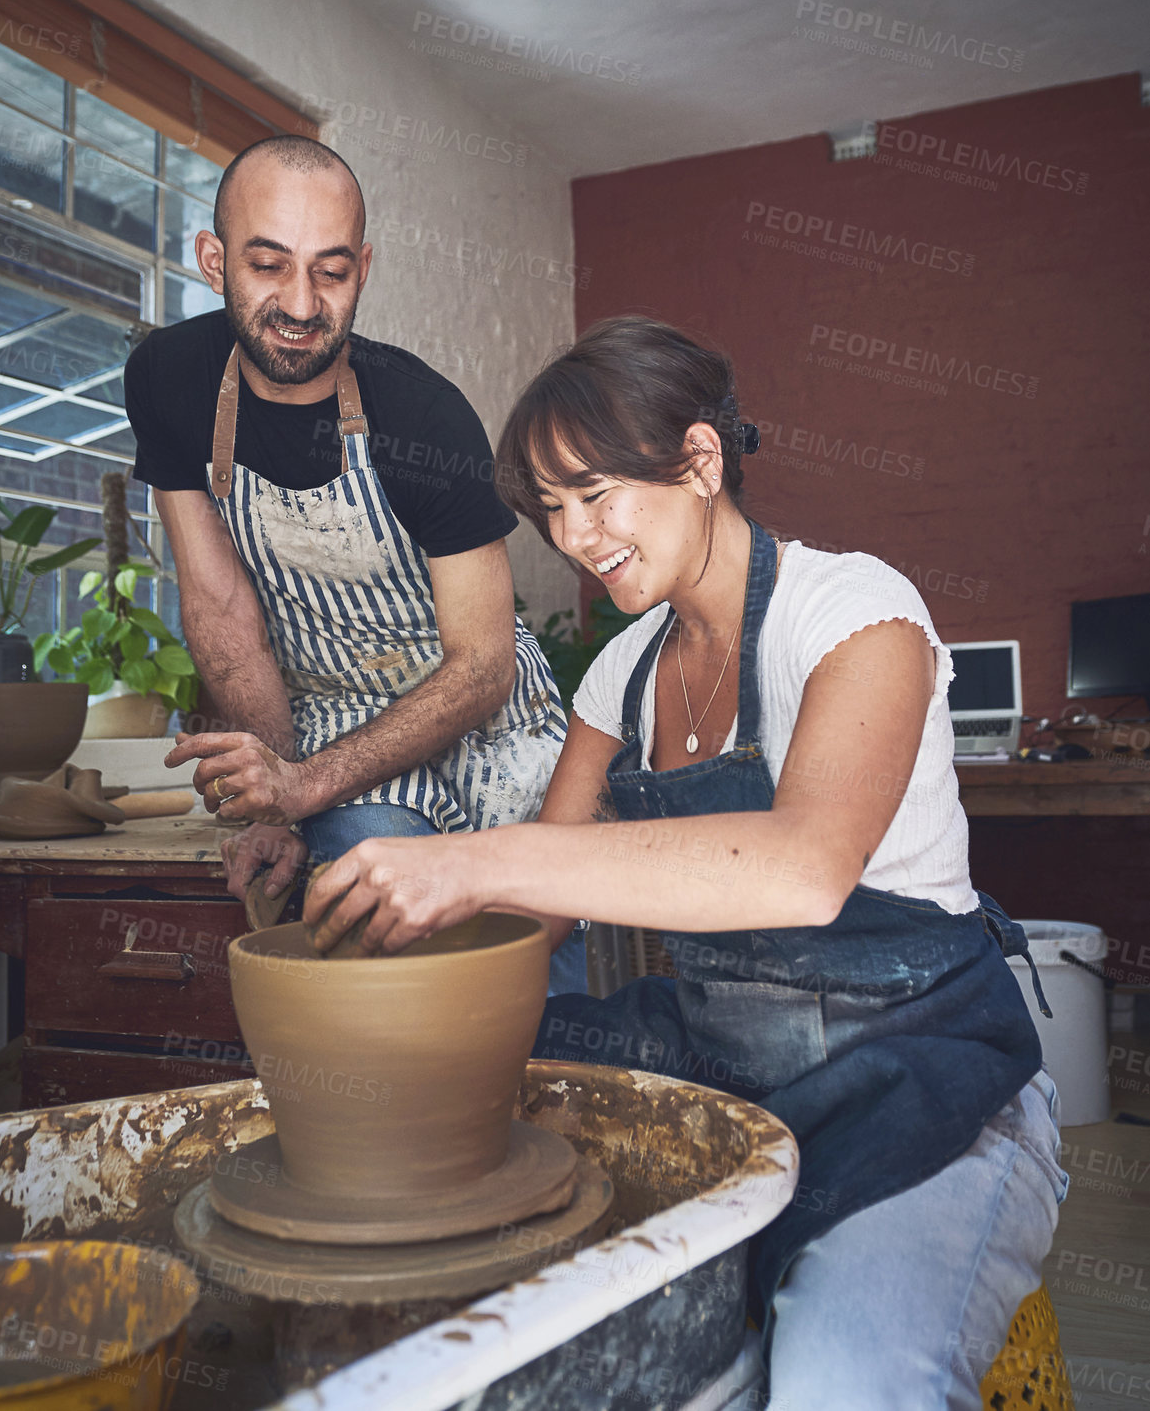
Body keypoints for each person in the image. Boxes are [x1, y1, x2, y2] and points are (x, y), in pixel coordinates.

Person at [303, 315, 1068, 1409]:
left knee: (841, 1382)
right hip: (732, 1078)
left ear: (700, 460)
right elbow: (538, 923)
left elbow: (801, 869)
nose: (574, 537)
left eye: (596, 494)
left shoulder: (854, 610)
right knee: (535, 1339)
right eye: (551, 510)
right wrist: (391, 970)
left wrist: (483, 860)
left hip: (929, 1082)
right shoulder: (621, 670)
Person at [123, 134, 583, 989]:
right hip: (328, 730)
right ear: (212, 257)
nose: (301, 303)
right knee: (385, 970)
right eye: (268, 265)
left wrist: (301, 787)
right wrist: (274, 790)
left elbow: (480, 666)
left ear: (362, 269)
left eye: (331, 273)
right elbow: (221, 608)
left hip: (485, 724)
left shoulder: (423, 417)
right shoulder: (167, 381)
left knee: (536, 1002)